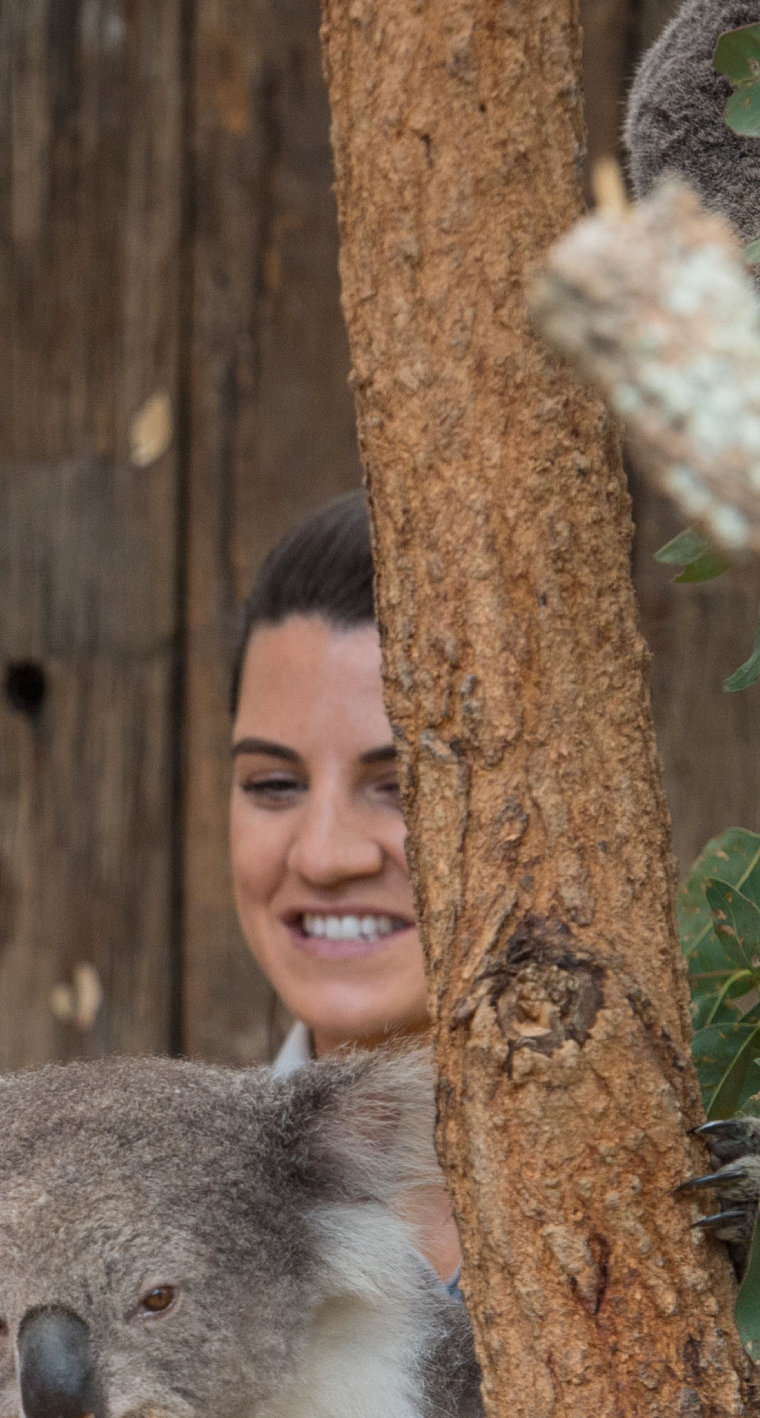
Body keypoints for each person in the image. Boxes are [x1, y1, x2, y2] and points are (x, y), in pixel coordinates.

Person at [227, 488, 457, 1284]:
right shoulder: (147, 1210)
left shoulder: (737, 1191)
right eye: (273, 783)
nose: (324, 858)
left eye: (401, 786)